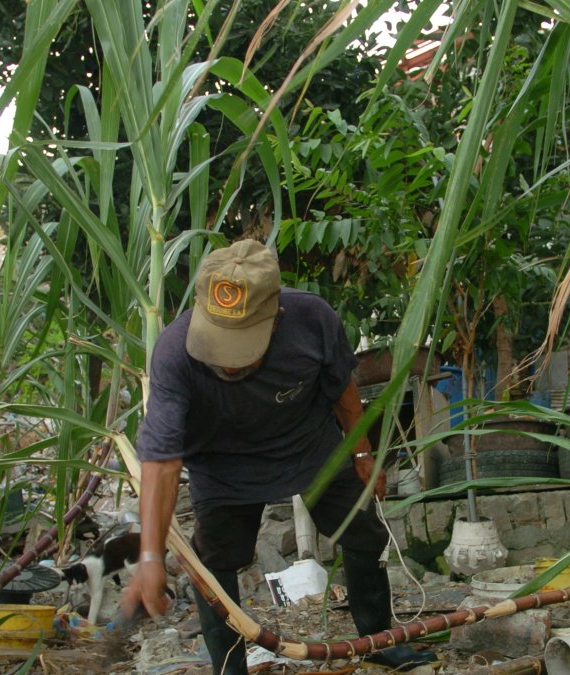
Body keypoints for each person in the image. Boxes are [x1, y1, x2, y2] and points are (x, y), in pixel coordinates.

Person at [121, 240, 436, 674]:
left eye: (241, 347)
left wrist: (362, 451)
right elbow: (162, 461)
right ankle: (229, 667)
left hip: (310, 449)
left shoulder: (312, 319)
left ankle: (376, 639)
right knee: (215, 563)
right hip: (222, 467)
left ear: (275, 315)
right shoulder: (175, 355)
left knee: (363, 531)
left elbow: (342, 385)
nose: (229, 365)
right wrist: (151, 558)